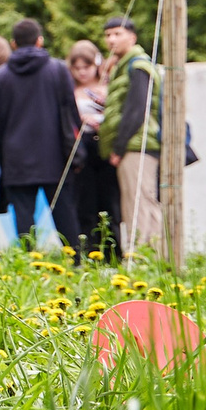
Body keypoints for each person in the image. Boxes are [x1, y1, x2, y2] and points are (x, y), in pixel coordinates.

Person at [0, 19, 79, 251]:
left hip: (16, 157)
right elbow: (70, 112)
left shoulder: (1, 76)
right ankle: (78, 260)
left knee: (23, 214)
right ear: (40, 40)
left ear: (13, 43)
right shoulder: (58, 69)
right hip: (55, 155)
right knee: (64, 210)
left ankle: (29, 261)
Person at [102, 14, 165, 253]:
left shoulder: (138, 65)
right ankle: (152, 255)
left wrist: (118, 147)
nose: (111, 40)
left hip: (136, 145)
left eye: (117, 34)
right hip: (134, 144)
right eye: (108, 35)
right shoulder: (125, 66)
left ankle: (143, 257)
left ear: (132, 37)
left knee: (139, 202)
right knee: (138, 200)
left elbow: (136, 109)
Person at [64, 38, 120, 261]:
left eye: (86, 67)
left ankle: (113, 253)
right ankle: (89, 250)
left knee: (110, 202)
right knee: (84, 202)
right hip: (81, 149)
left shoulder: (107, 86)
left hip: (104, 146)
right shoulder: (70, 90)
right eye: (76, 68)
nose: (82, 73)